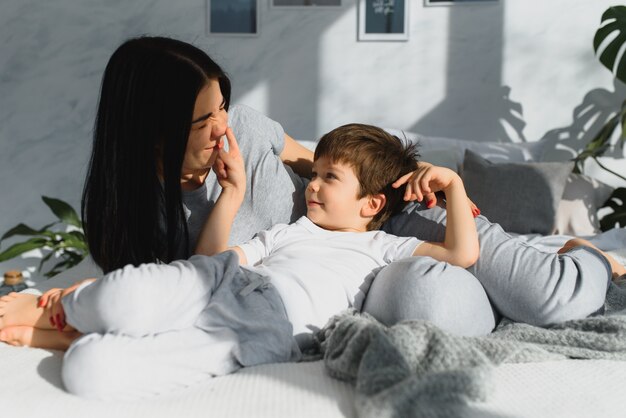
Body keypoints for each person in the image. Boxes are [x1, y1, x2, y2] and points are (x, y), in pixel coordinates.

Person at [0, 124, 481, 400]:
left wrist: (453, 186)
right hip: (227, 281)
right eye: (313, 173)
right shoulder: (292, 230)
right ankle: (56, 306)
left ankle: (60, 335)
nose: (310, 185)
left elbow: (461, 254)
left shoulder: (384, 248)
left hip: (268, 329)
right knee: (138, 295)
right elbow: (208, 264)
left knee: (90, 372)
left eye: (328, 177)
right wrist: (233, 197)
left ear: (371, 204)